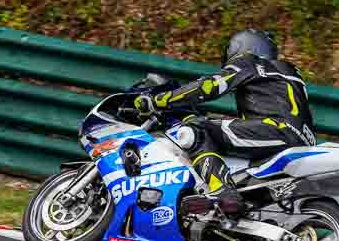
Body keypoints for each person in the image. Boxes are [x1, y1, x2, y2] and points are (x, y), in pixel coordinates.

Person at [134, 29, 316, 218]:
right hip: (301, 141)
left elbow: (208, 86)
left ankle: (222, 190)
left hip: (276, 131)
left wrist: (158, 101)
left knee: (195, 130)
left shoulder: (250, 62)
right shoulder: (287, 72)